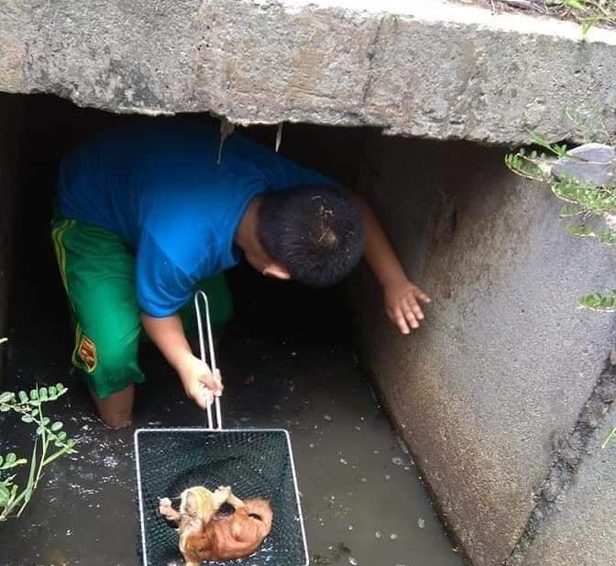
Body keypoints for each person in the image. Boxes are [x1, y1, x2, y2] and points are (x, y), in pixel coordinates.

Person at [52, 119, 430, 429]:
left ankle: (202, 372)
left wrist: (393, 280)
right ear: (277, 272)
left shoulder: (284, 187)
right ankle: (118, 426)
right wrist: (184, 362)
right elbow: (157, 311)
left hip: (158, 185)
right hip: (92, 207)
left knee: (215, 312)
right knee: (115, 352)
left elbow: (351, 207)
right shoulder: (182, 247)